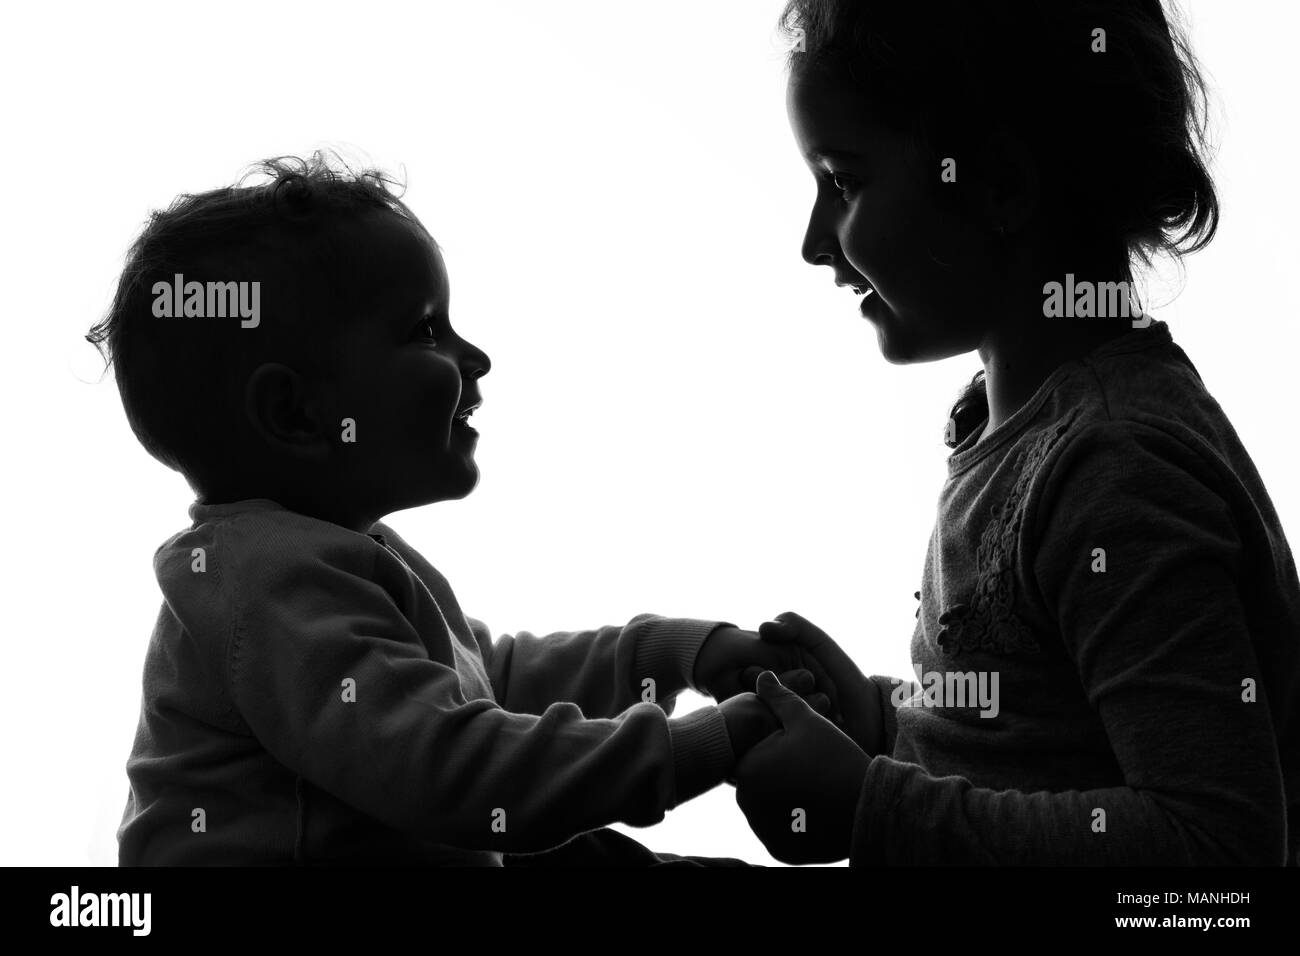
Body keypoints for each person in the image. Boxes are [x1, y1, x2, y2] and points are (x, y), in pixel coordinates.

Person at [90, 153, 825, 865]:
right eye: (425, 330)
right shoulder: (268, 583)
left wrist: (674, 653)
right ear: (295, 411)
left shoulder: (335, 556)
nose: (475, 358)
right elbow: (456, 769)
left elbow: (491, 680)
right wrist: (714, 741)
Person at [732, 0, 1300, 866]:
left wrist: (870, 808)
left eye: (843, 182)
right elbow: (1040, 734)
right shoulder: (1012, 426)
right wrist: (884, 724)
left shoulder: (1115, 466)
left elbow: (1219, 852)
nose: (815, 242)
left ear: (996, 186)